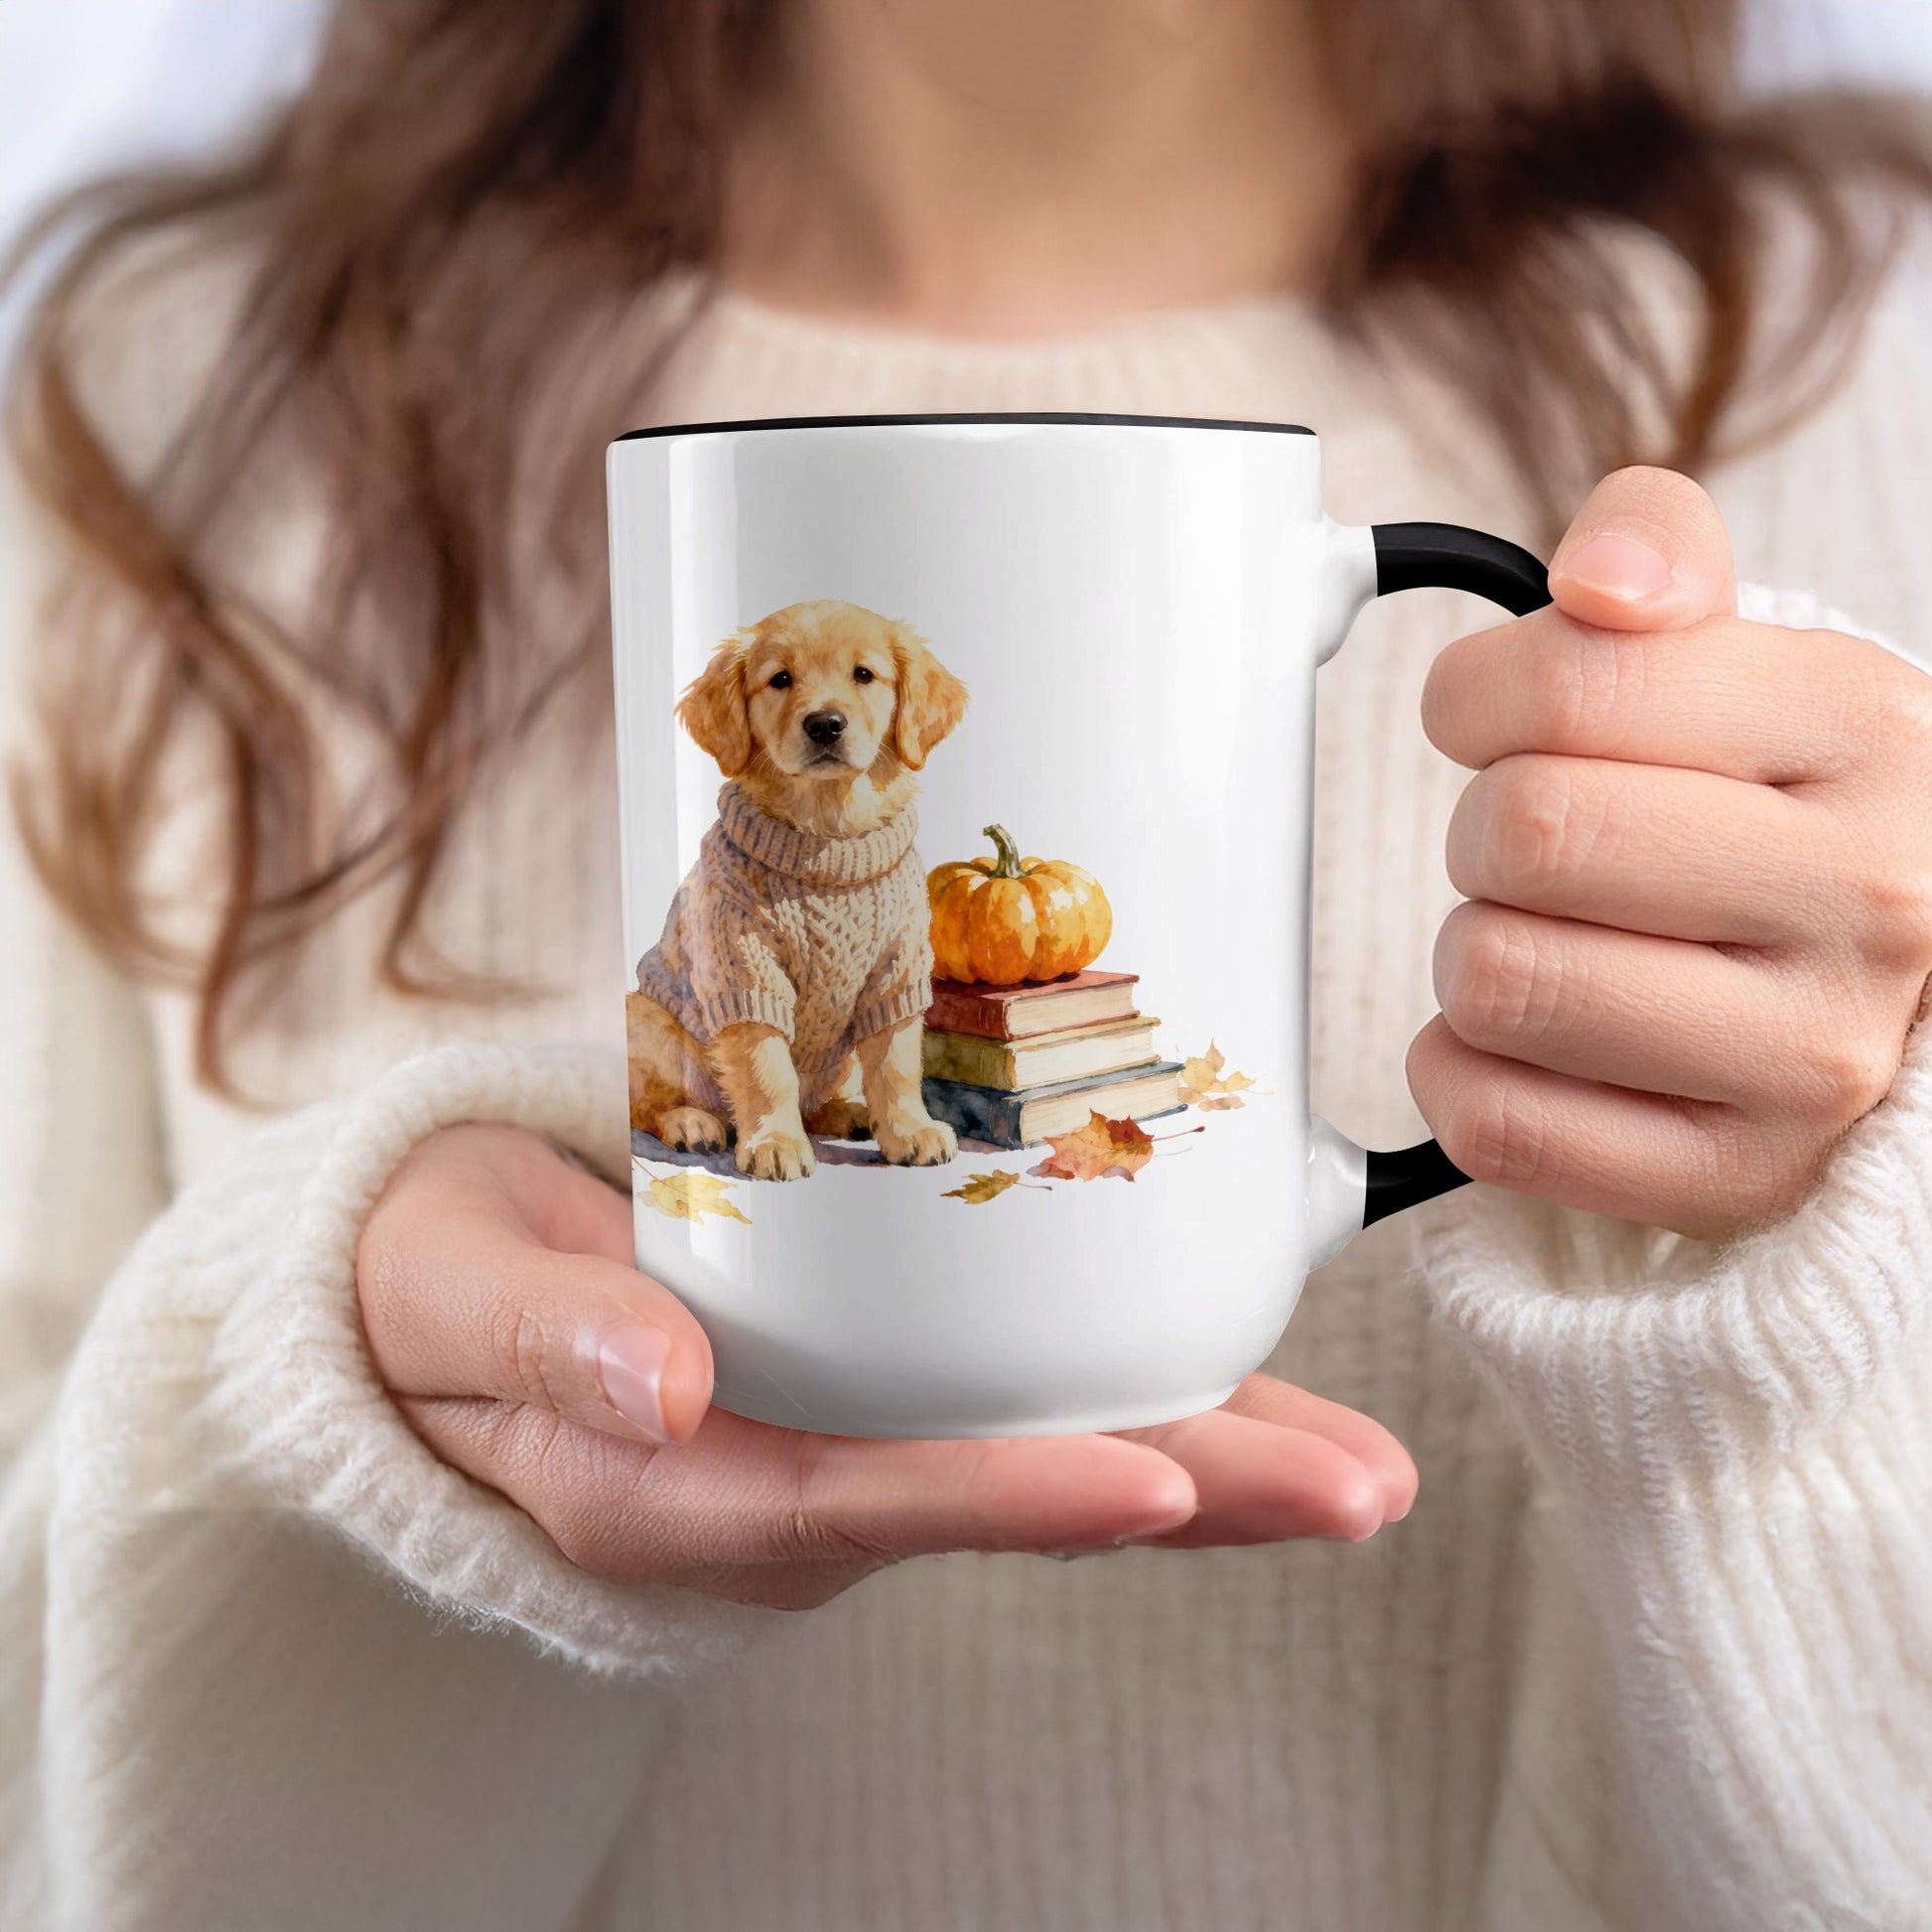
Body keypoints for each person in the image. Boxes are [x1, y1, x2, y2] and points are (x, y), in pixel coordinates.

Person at [3, 2, 1930, 1927]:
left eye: (857, 687)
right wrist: (304, 1390)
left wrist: (1864, 1194)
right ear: (740, 706)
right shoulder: (155, 395)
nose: (826, 710)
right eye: (787, 682)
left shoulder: (1874, 351)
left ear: (906, 710)